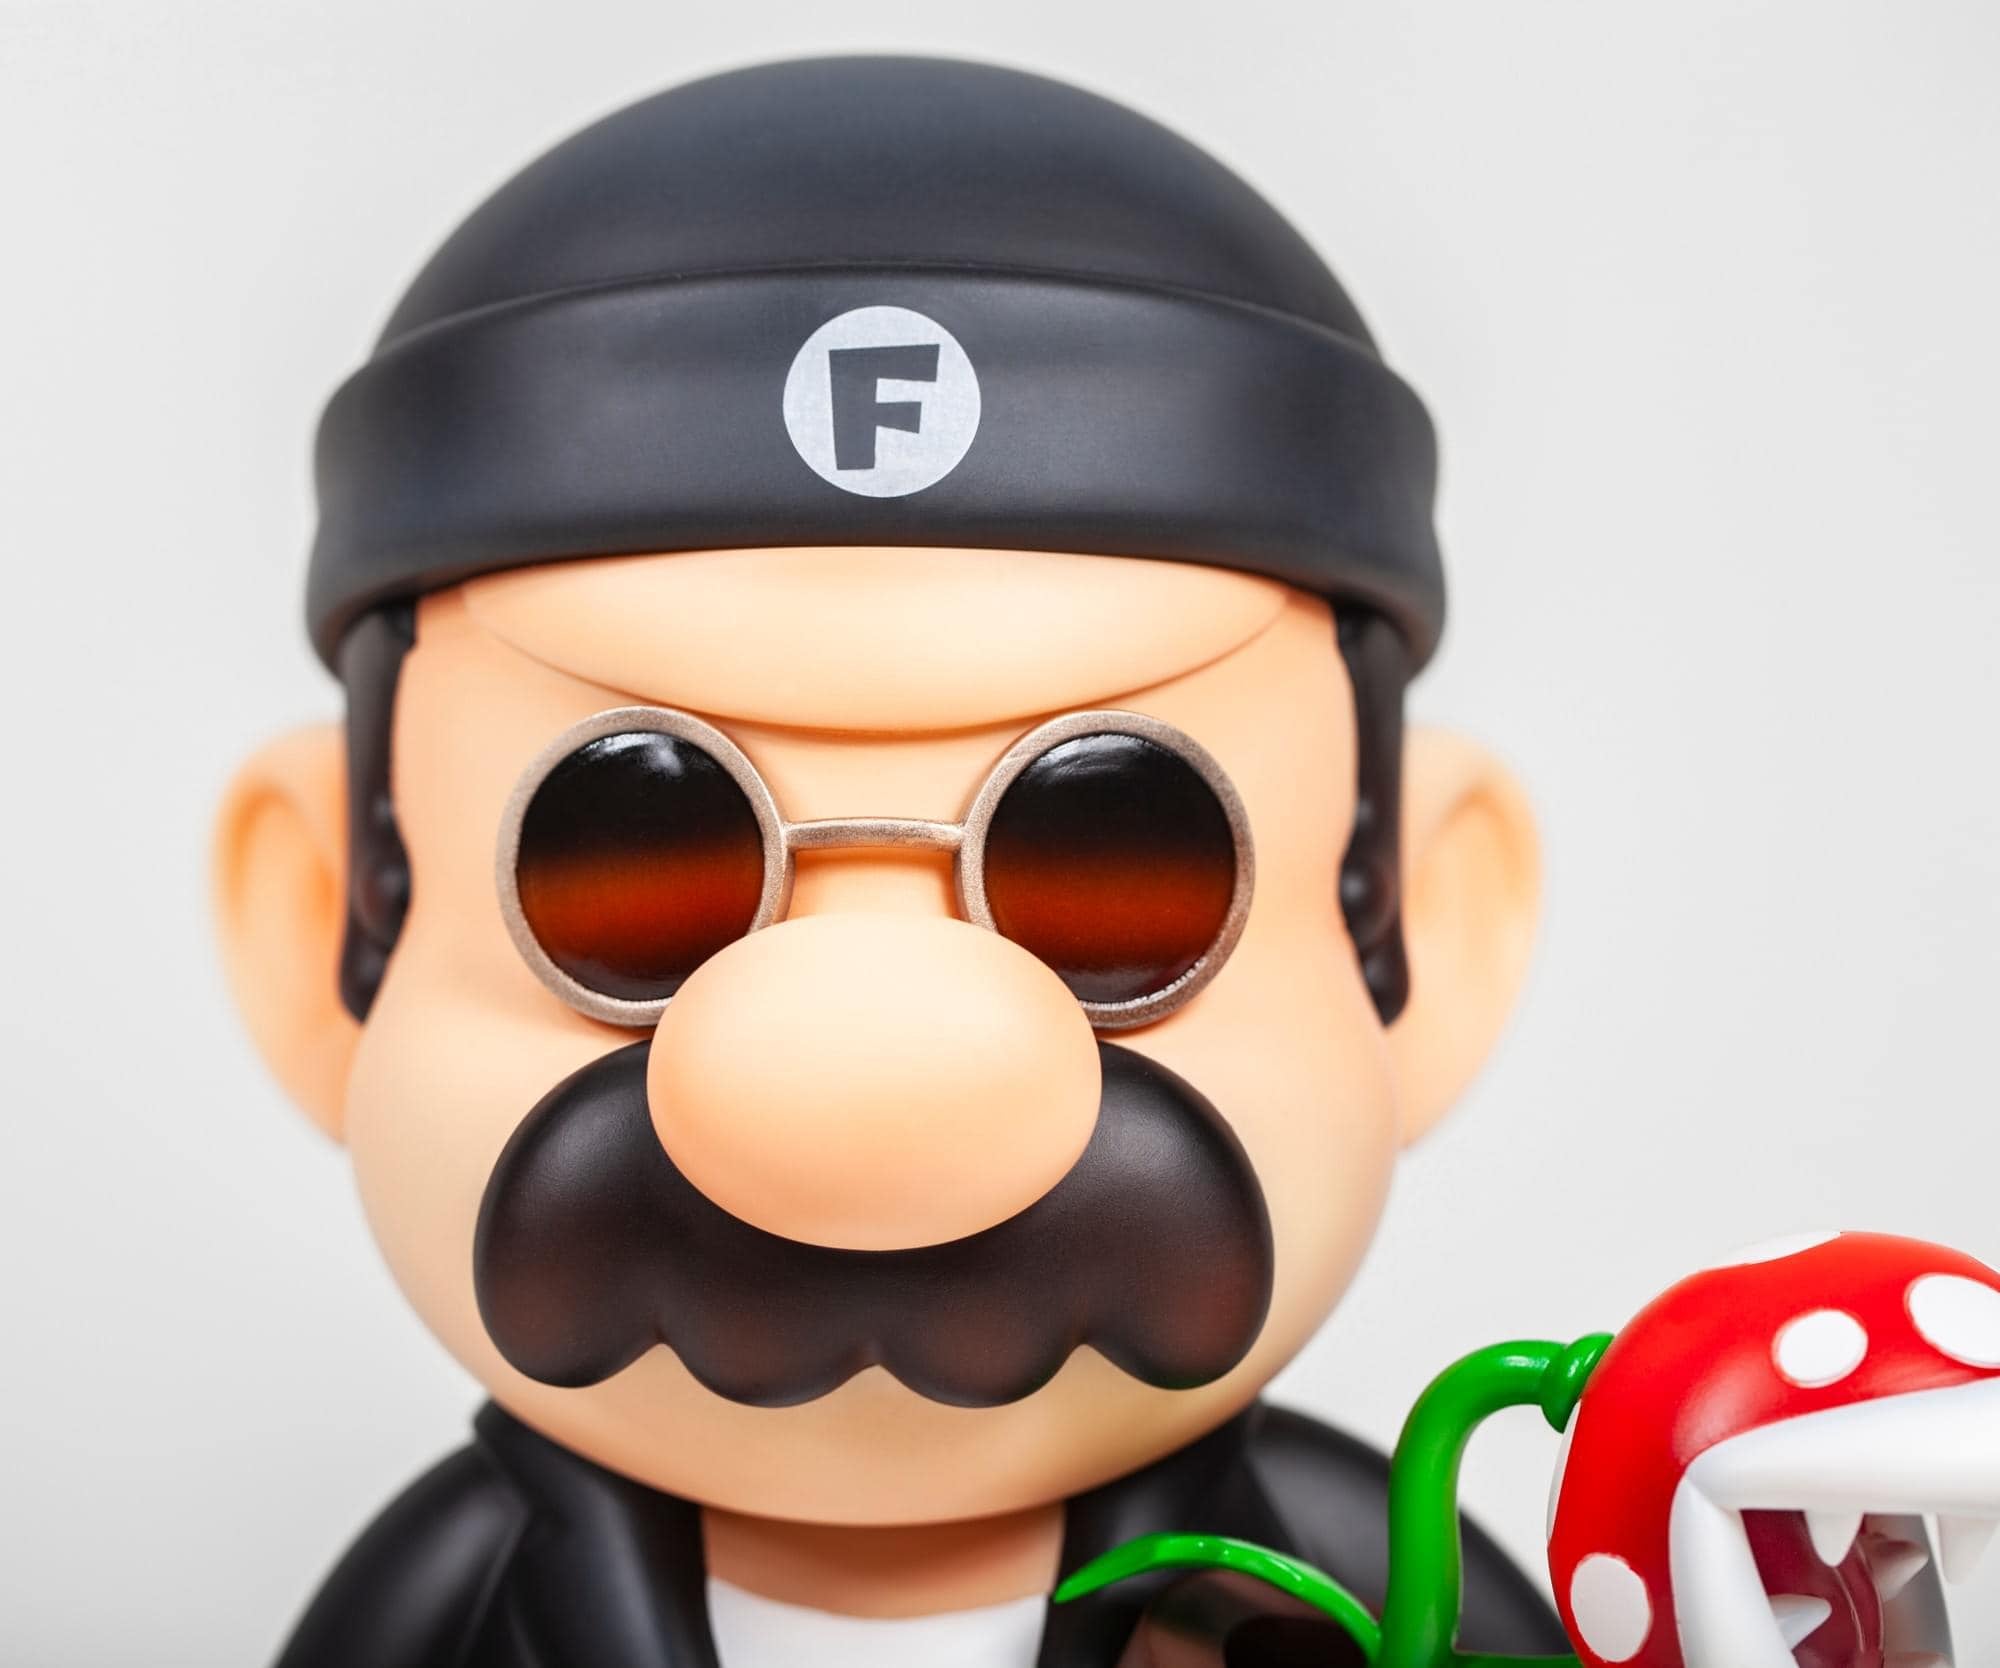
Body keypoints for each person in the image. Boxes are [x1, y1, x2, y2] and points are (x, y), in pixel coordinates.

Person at [213, 55, 1561, 1668]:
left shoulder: (1347, 1592)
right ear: (327, 945)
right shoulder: (453, 1605)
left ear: (1419, 943)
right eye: (631, 865)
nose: (866, 1096)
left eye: (1117, 866)